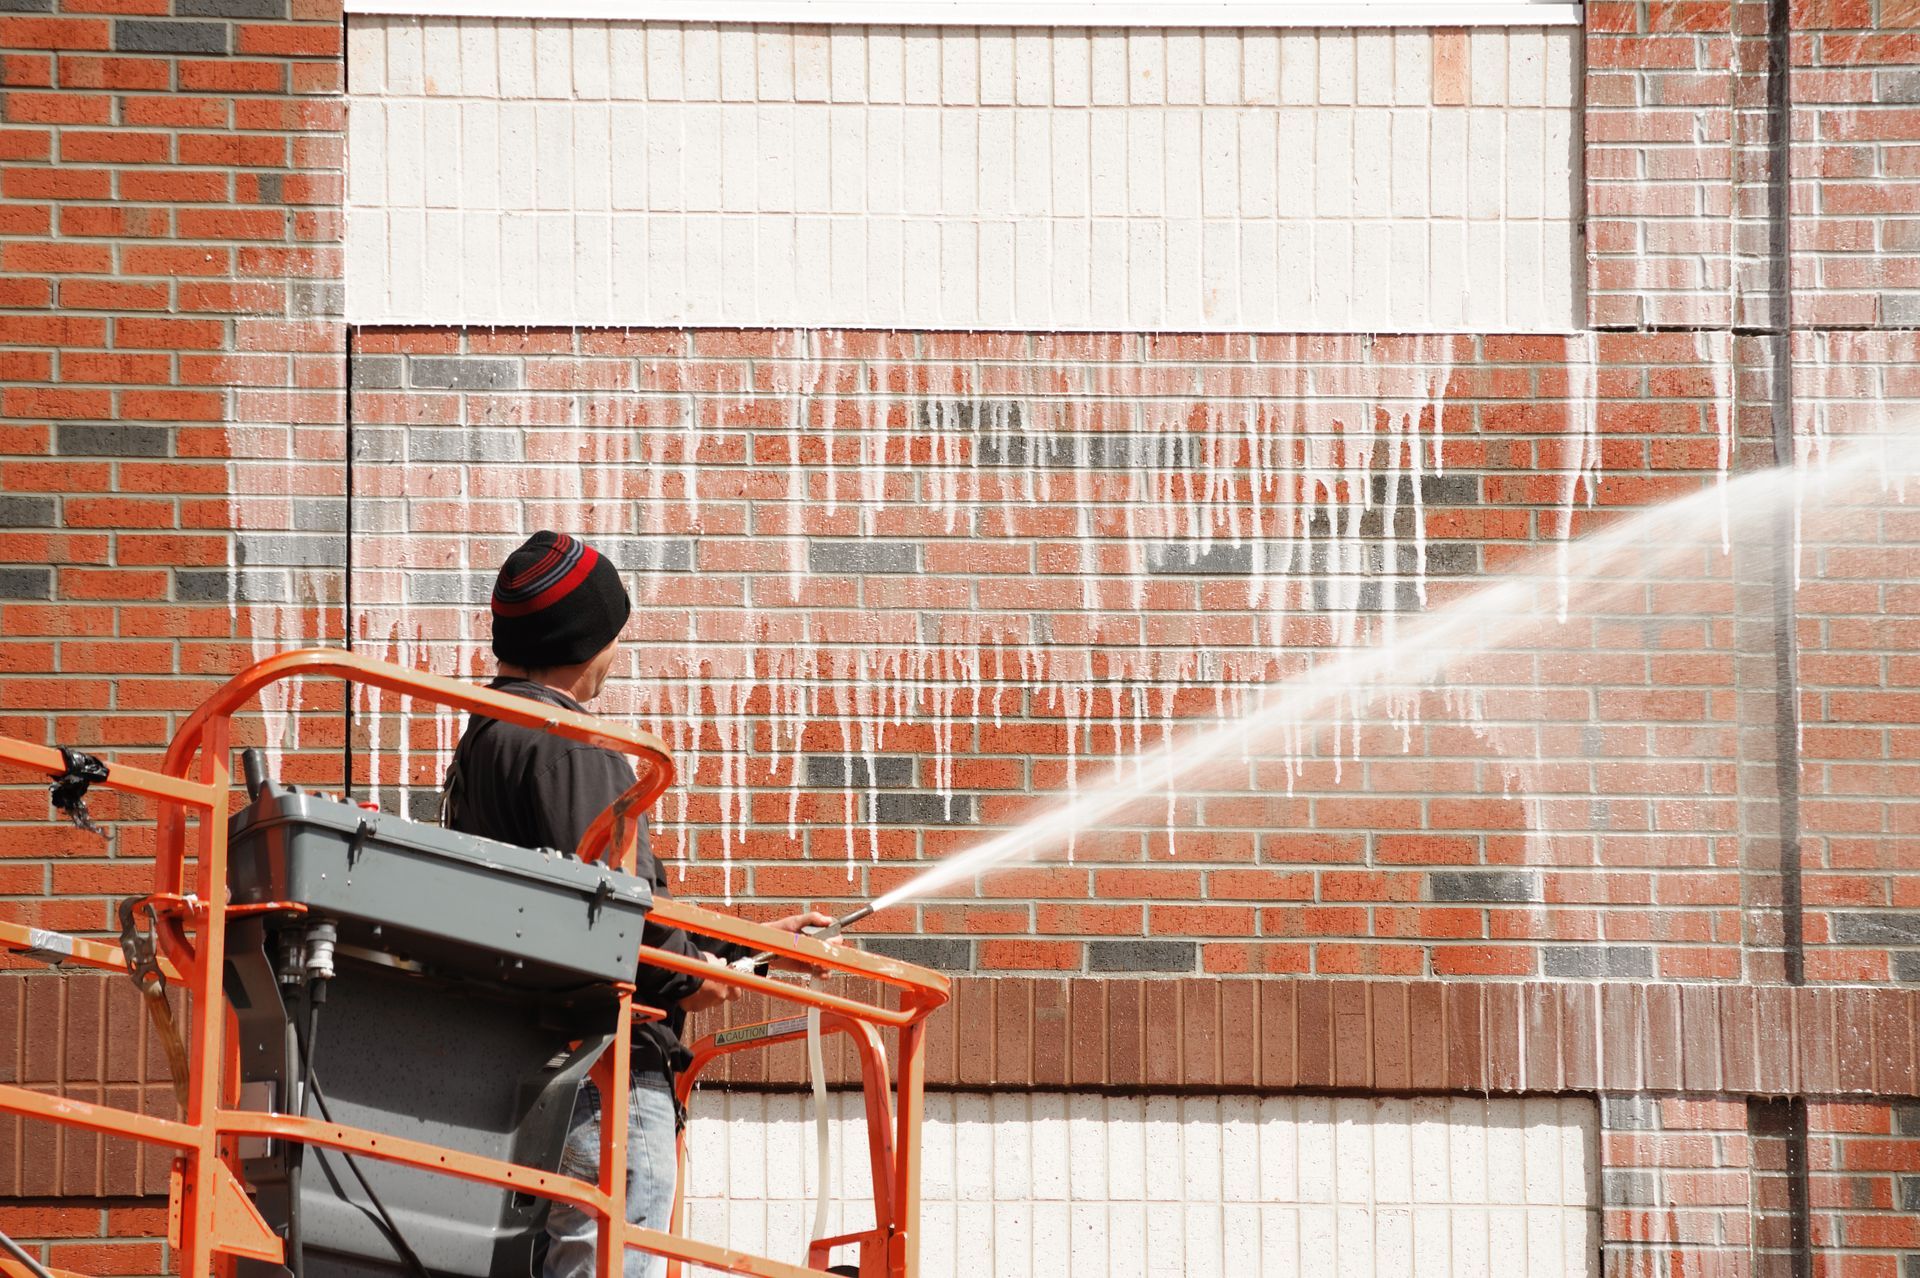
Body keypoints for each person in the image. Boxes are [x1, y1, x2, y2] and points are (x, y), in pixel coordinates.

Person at [442, 530, 829, 1278]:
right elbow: (615, 909)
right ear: (585, 639)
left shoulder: (484, 742)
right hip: (601, 1077)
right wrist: (694, 976)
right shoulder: (570, 744)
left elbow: (573, 898)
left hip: (530, 1063)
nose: (618, 652)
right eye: (614, 633)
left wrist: (730, 945)